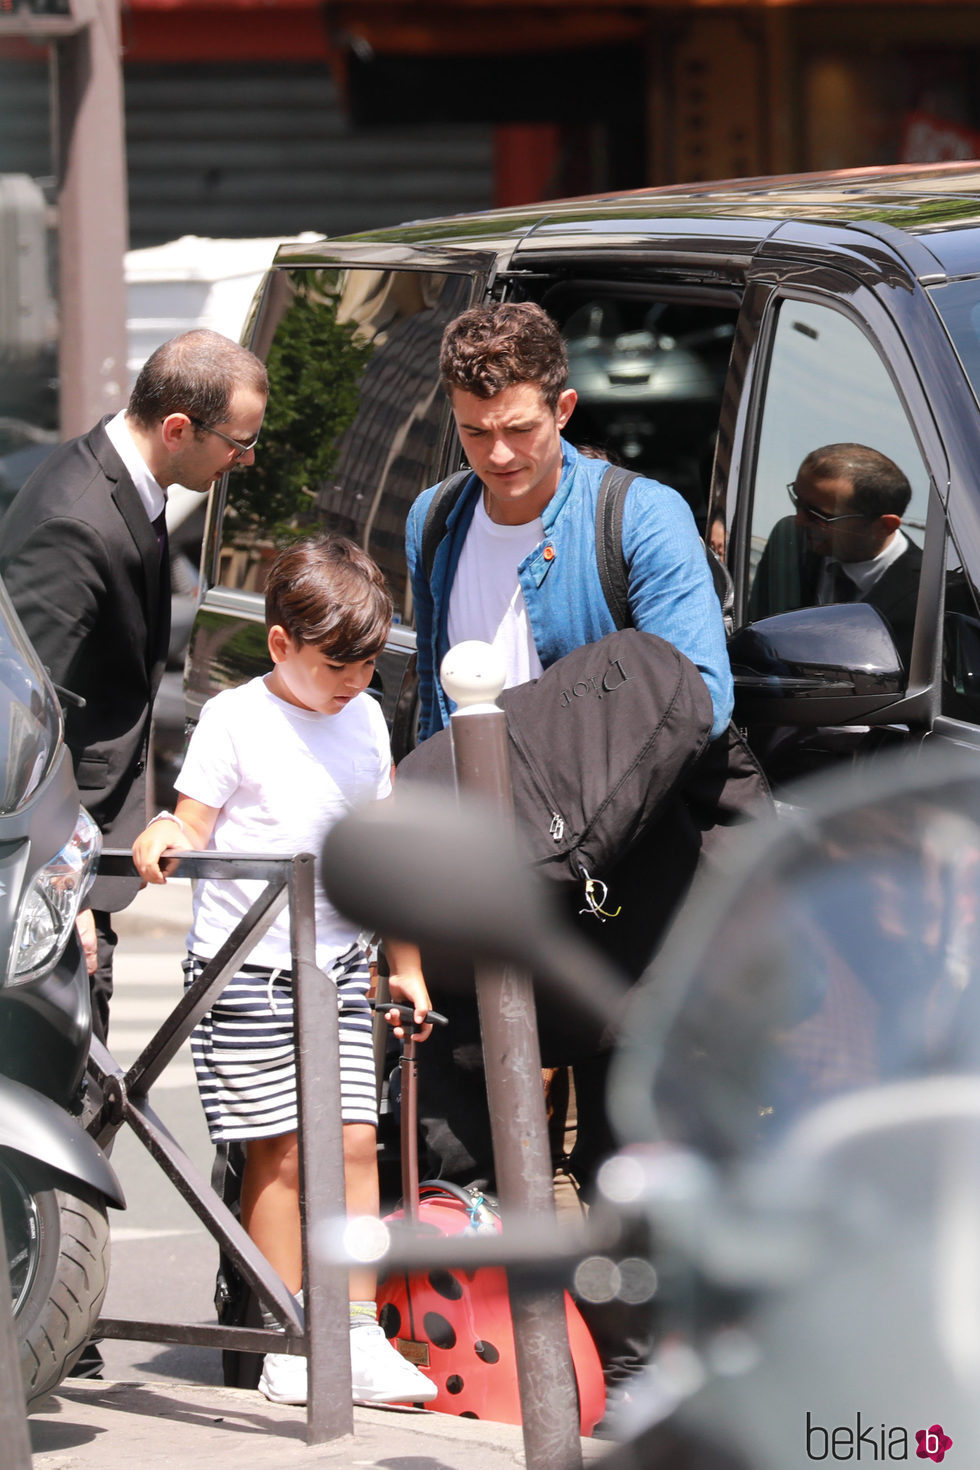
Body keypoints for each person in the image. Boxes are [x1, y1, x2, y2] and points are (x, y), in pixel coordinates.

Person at [132, 533, 438, 1408]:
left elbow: (383, 859)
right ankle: (286, 1335)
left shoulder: (369, 720)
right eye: (338, 664)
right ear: (279, 645)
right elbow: (191, 823)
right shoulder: (237, 718)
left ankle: (358, 1332)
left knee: (351, 1143)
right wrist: (164, 835)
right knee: (281, 1156)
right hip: (249, 969)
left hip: (338, 966)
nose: (355, 683)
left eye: (369, 665)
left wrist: (405, 967)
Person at [0, 328, 269, 1043]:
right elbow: (23, 721)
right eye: (238, 445)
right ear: (178, 427)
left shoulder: (130, 482)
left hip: (88, 849)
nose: (246, 461)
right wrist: (55, 890)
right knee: (68, 1111)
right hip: (54, 871)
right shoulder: (73, 520)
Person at [407, 301, 733, 746]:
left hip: (598, 809)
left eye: (520, 429)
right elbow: (433, 693)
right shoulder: (433, 517)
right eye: (476, 433)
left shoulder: (645, 517)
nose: (498, 455)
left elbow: (701, 703)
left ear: (563, 410)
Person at [748, 443, 922, 671]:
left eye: (818, 515)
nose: (799, 520)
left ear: (883, 526)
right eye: (797, 502)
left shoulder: (927, 598)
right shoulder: (789, 540)